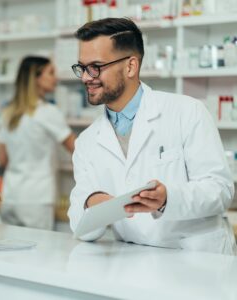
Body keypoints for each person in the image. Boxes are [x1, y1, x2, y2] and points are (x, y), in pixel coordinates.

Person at [68, 18, 237, 255]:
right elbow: (80, 227)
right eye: (82, 68)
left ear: (130, 66)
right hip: (135, 261)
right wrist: (93, 202)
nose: (86, 77)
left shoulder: (187, 111)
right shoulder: (87, 141)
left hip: (197, 260)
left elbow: (220, 191)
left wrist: (168, 198)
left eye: (95, 66)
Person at [0, 56, 76, 230]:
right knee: (37, 254)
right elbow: (77, 149)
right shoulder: (48, 112)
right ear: (36, 78)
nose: (56, 78)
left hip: (10, 196)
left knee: (11, 253)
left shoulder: (8, 112)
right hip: (37, 200)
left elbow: (2, 159)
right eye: (51, 73)